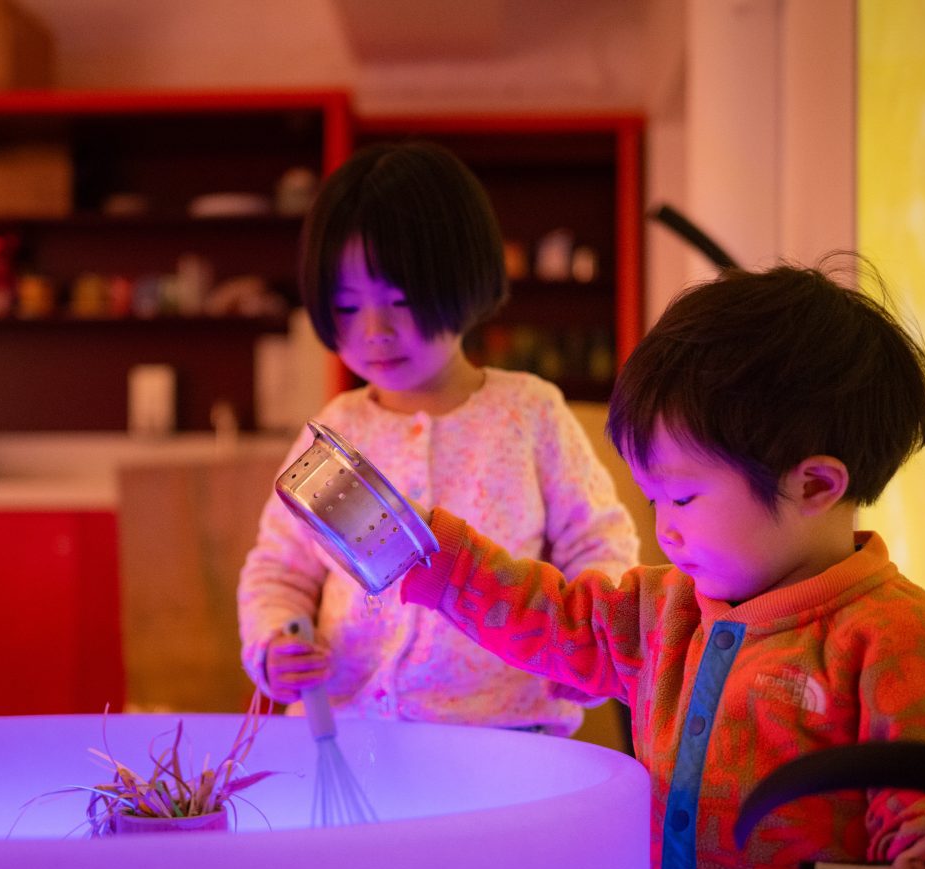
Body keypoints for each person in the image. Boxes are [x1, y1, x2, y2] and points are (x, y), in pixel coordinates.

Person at [399, 258, 925, 869]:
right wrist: (441, 562)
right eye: (653, 498)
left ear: (815, 485)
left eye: (683, 496)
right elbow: (554, 618)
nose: (665, 527)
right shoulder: (665, 609)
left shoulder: (890, 633)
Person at [237, 141, 638, 735]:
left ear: (462, 281)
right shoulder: (338, 427)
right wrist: (274, 641)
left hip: (505, 731)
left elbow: (599, 543)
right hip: (354, 732)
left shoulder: (529, 412)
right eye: (345, 307)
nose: (374, 330)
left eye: (400, 300)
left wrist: (588, 640)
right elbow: (279, 567)